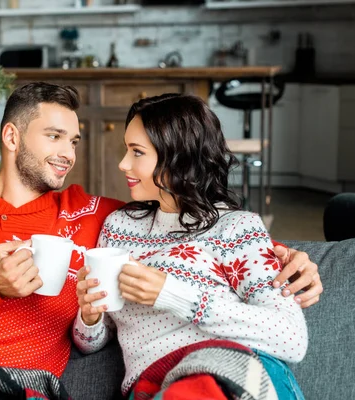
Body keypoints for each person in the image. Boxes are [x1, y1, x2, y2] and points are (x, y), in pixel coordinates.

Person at [0, 83, 321, 399]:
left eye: (74, 141)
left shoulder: (95, 217)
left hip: (22, 387)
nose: (67, 155)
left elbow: (190, 224)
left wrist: (289, 255)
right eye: (54, 136)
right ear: (12, 136)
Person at [74, 94, 309, 399]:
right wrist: (89, 316)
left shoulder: (237, 228)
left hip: (227, 367)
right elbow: (92, 340)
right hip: (152, 383)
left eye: (137, 152)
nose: (122, 163)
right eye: (126, 150)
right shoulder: (119, 227)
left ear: (178, 157)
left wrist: (172, 294)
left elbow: (291, 337)